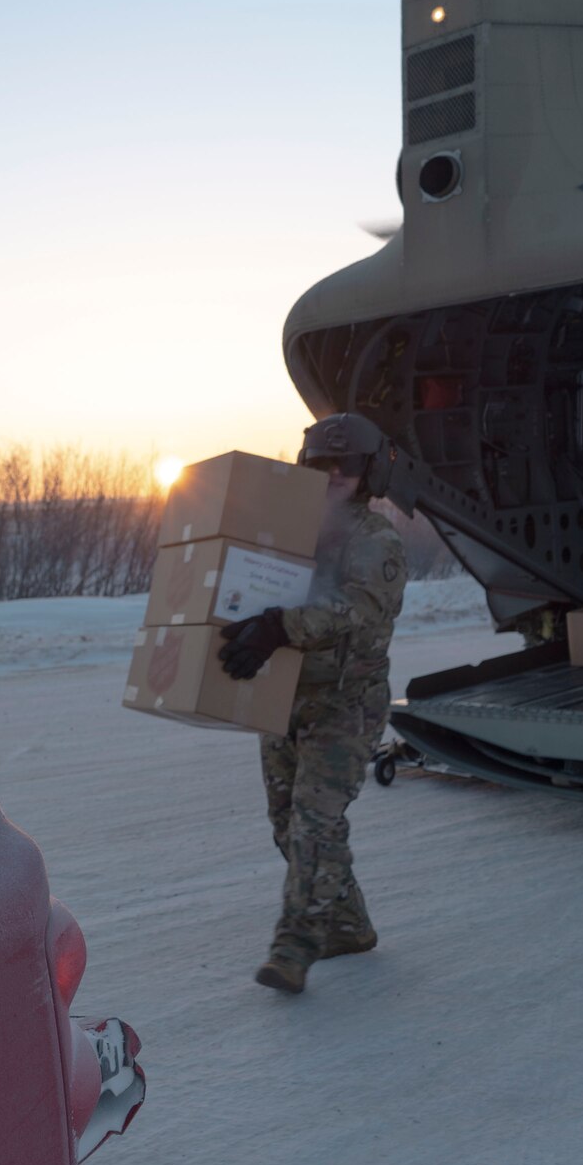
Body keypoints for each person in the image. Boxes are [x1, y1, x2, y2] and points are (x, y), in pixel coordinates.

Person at [216, 414, 407, 995]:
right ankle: (348, 925)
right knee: (286, 825)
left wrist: (278, 627)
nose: (332, 476)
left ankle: (294, 945)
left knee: (315, 824)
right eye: (320, 464)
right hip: (288, 695)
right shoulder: (291, 529)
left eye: (345, 466)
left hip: (347, 703)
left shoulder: (377, 540)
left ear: (368, 472)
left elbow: (360, 611)